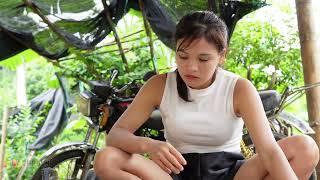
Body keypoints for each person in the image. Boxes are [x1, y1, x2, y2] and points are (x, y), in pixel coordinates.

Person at [93, 11, 319, 180]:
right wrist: (149, 146)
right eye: (183, 56)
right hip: (174, 173)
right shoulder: (159, 85)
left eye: (203, 59)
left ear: (222, 56)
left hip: (231, 172)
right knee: (106, 158)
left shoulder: (238, 88)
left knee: (305, 148)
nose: (191, 67)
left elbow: (269, 151)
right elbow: (115, 136)